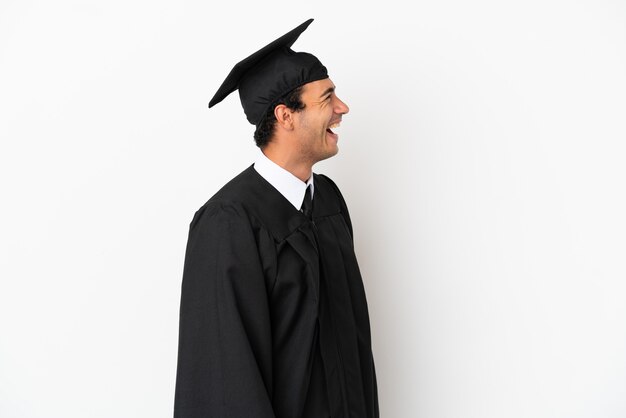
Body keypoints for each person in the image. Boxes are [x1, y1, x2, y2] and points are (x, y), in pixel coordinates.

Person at [174, 19, 379, 418]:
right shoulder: (228, 222)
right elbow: (223, 381)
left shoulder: (330, 203)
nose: (343, 108)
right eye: (327, 98)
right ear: (286, 115)